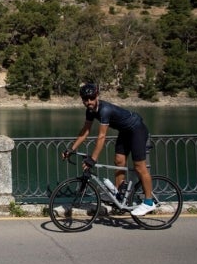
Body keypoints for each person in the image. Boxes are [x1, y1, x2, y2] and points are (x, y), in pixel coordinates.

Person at [62, 83, 155, 216]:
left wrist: (92, 159)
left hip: (137, 129)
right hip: (124, 132)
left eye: (92, 98)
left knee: (140, 166)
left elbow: (101, 137)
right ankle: (119, 194)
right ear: (82, 99)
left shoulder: (104, 110)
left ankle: (148, 202)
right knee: (118, 160)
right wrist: (71, 148)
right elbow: (85, 131)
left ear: (97, 96)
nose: (89, 102)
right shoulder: (89, 111)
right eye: (85, 99)